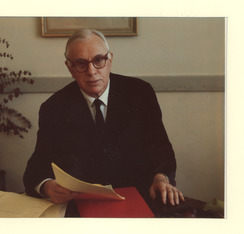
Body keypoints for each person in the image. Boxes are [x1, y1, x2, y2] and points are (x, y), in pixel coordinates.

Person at [23, 29, 184, 206]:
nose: (91, 71)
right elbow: (37, 167)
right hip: (81, 204)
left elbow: (161, 149)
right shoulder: (54, 107)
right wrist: (47, 186)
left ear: (110, 60)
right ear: (70, 68)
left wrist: (161, 179)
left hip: (140, 197)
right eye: (80, 63)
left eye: (98, 60)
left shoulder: (140, 93)